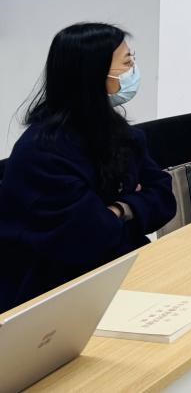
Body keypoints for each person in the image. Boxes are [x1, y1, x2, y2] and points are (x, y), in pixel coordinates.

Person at [0, 23, 175, 311]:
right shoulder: (42, 151)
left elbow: (164, 198)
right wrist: (132, 206)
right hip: (55, 293)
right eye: (126, 62)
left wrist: (118, 209)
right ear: (94, 73)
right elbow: (89, 235)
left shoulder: (120, 133)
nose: (133, 69)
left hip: (118, 268)